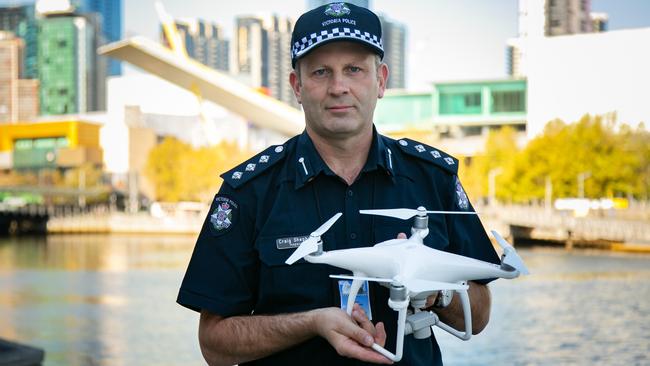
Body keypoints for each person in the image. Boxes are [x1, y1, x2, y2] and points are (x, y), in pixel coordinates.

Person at [177, 3, 500, 365]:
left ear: (380, 81)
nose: (338, 87)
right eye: (320, 72)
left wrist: (436, 292)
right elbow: (214, 345)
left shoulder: (433, 178)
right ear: (297, 86)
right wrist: (311, 323)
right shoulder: (249, 192)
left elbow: (481, 312)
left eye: (354, 69)